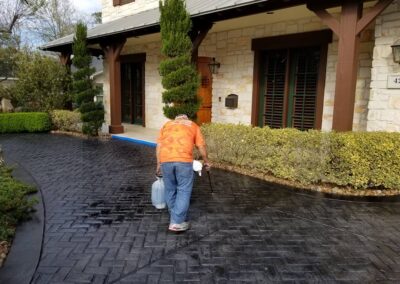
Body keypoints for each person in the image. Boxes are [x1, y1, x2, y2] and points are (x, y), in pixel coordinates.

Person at [156, 114, 210, 232]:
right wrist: (206, 161)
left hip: (165, 160)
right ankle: (177, 222)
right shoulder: (193, 125)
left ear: (176, 119)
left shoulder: (167, 125)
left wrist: (158, 164)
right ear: (186, 119)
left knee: (170, 189)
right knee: (183, 190)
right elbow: (201, 146)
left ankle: (175, 214)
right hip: (183, 161)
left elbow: (159, 146)